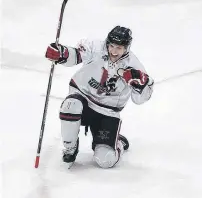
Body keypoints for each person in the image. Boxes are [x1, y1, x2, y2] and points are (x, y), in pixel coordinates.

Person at [45, 26, 154, 168]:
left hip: (107, 112)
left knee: (106, 160)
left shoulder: (133, 65)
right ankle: (70, 149)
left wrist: (142, 84)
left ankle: (117, 142)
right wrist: (62, 54)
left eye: (119, 48)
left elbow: (140, 99)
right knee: (70, 105)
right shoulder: (95, 47)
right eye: (112, 46)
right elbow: (76, 55)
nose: (114, 51)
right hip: (83, 98)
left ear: (127, 47)